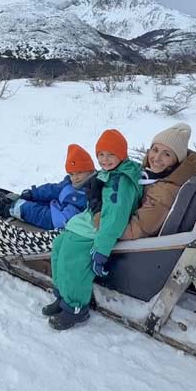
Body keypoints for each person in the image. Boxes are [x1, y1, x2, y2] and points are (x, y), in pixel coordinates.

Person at [43, 129, 142, 330]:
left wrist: (101, 250)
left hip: (99, 231)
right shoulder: (111, 174)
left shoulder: (120, 182)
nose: (105, 160)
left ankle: (76, 308)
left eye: (111, 154)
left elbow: (114, 218)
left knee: (72, 259)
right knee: (59, 245)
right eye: (101, 155)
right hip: (90, 222)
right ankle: (63, 296)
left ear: (121, 154)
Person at [120, 122, 196, 240]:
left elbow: (133, 231)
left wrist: (96, 221)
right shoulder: (149, 176)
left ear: (177, 162)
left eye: (167, 154)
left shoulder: (164, 193)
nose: (157, 158)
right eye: (155, 150)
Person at [0, 144, 96, 231]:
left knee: (34, 212)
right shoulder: (69, 183)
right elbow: (52, 189)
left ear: (90, 171)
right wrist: (33, 193)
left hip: (61, 221)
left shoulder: (92, 189)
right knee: (39, 200)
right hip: (58, 208)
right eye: (71, 174)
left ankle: (9, 209)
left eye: (79, 172)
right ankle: (15, 201)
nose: (75, 178)